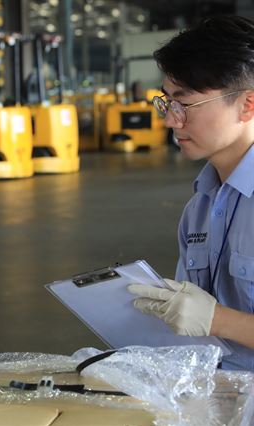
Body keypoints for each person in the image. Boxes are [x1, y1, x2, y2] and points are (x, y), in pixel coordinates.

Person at [128, 15, 254, 371]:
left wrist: (218, 320)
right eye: (167, 102)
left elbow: (209, 320)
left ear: (247, 104)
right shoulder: (200, 207)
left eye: (187, 104)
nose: (171, 120)